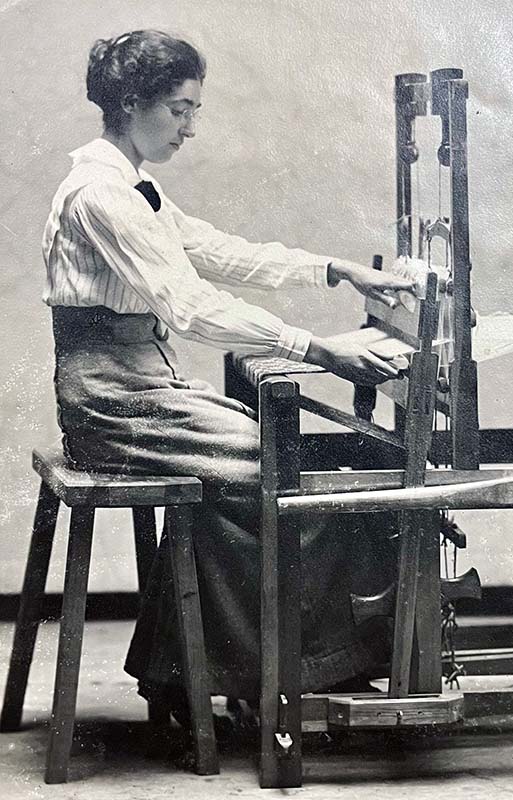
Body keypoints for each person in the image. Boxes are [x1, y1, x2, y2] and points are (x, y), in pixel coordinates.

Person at [42, 30, 413, 721]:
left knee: (268, 470)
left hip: (140, 385)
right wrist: (318, 348)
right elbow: (187, 303)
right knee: (284, 475)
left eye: (194, 110)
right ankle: (281, 672)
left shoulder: (133, 183)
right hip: (112, 401)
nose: (190, 127)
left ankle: (201, 670)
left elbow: (216, 252)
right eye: (179, 110)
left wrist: (334, 270)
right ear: (131, 103)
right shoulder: (101, 194)